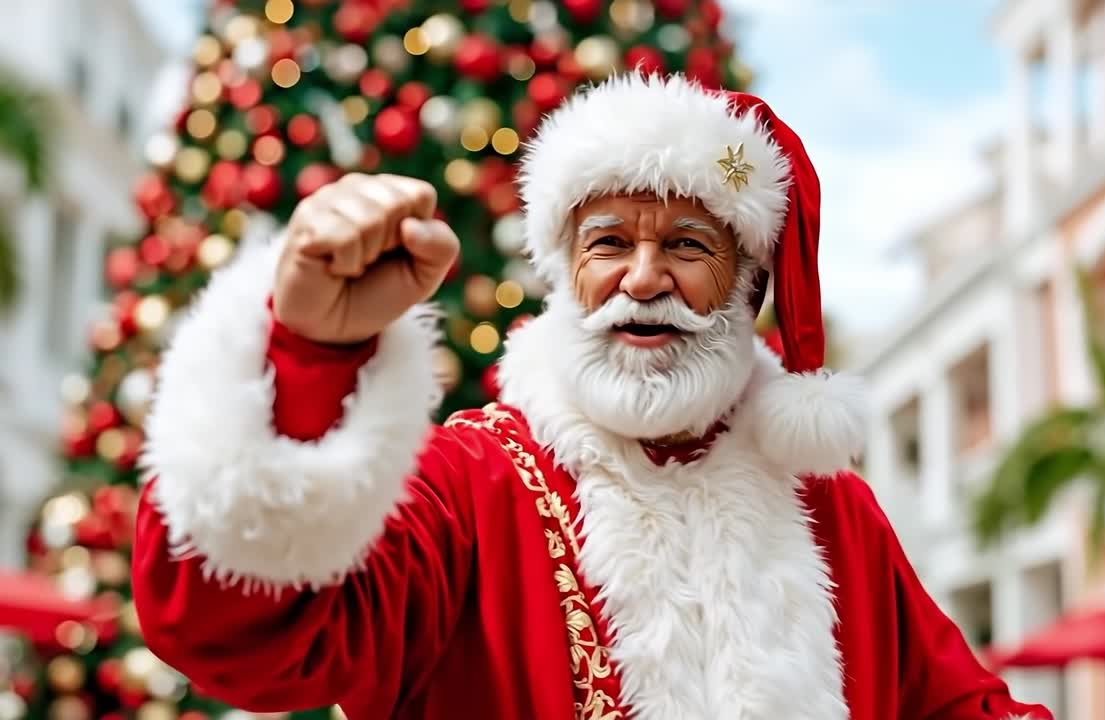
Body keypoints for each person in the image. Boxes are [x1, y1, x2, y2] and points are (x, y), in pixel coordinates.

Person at [132, 72, 1051, 720]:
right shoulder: (466, 481)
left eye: (690, 247)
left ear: (746, 290)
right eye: (609, 241)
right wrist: (307, 357)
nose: (643, 280)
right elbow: (243, 631)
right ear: (565, 269)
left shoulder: (827, 504)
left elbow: (956, 706)